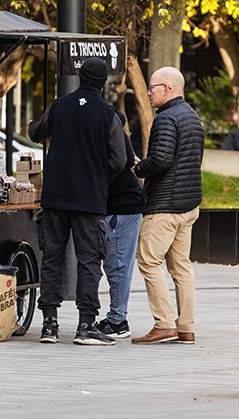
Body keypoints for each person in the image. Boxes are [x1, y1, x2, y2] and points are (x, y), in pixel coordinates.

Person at [28, 58, 125, 346]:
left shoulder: (59, 106)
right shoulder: (108, 115)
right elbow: (119, 160)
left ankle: (49, 324)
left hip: (55, 197)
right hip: (89, 199)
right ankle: (85, 324)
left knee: (53, 258)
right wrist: (98, 173)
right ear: (103, 81)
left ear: (81, 78)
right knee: (89, 261)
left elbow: (36, 133)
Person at [132, 66, 205, 345]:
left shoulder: (166, 119)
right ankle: (186, 327)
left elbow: (161, 160)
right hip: (189, 204)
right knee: (181, 266)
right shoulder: (192, 117)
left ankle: (163, 323)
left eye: (153, 87)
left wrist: (139, 169)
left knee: (149, 261)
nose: (149, 92)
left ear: (169, 89)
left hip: (165, 205)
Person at [94, 114, 147, 339]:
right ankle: (117, 317)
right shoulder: (116, 135)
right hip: (122, 207)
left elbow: (114, 167)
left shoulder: (112, 138)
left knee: (116, 265)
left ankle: (118, 321)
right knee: (115, 264)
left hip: (121, 208)